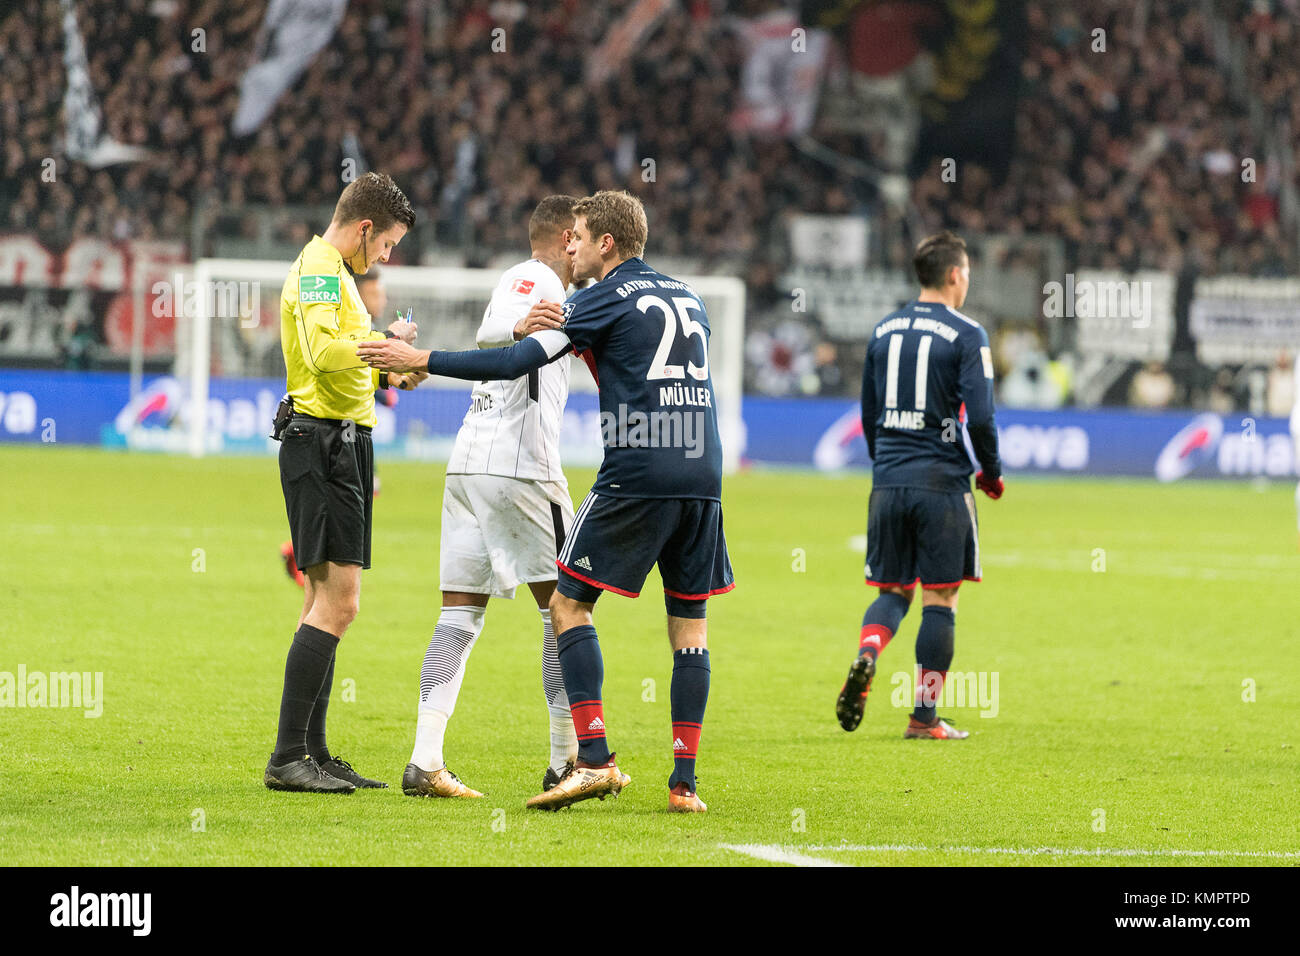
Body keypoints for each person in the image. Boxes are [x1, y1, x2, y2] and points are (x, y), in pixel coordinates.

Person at [359, 190, 733, 813]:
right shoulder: (686, 294)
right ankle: (683, 783)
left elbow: (511, 358)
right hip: (703, 467)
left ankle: (584, 758)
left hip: (630, 468)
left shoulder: (589, 297)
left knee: (565, 606)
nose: (572, 248)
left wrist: (419, 357)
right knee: (689, 627)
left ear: (603, 243)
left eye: (581, 239)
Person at [400, 195, 591, 799]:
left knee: (459, 615)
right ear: (565, 238)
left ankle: (425, 760)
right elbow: (494, 331)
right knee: (564, 612)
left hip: (468, 466)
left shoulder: (543, 287)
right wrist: (513, 326)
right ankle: (566, 760)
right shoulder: (535, 276)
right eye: (583, 236)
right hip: (521, 470)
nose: (588, 247)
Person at [265, 171, 425, 794]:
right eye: (385, 245)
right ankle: (286, 758)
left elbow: (347, 365)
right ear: (364, 229)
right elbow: (323, 352)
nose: (386, 257)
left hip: (343, 442)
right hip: (321, 444)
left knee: (322, 603)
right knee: (340, 604)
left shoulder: (336, 275)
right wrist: (383, 344)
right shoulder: (319, 270)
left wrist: (393, 373)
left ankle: (313, 751)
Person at [835, 230, 1002, 740]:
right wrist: (990, 472)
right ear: (955, 274)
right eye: (967, 273)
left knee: (893, 590)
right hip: (941, 483)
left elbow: (868, 411)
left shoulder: (883, 330)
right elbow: (982, 417)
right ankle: (923, 717)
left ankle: (868, 652)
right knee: (940, 598)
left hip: (888, 478)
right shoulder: (968, 333)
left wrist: (884, 463)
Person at [278, 264, 409, 586]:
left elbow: (363, 375)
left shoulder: (367, 328)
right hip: (334, 431)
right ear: (359, 293)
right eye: (376, 293)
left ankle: (303, 556)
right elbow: (332, 367)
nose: (382, 299)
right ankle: (297, 551)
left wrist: (393, 377)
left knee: (357, 498)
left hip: (355, 430)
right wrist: (385, 385)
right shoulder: (349, 329)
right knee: (340, 509)